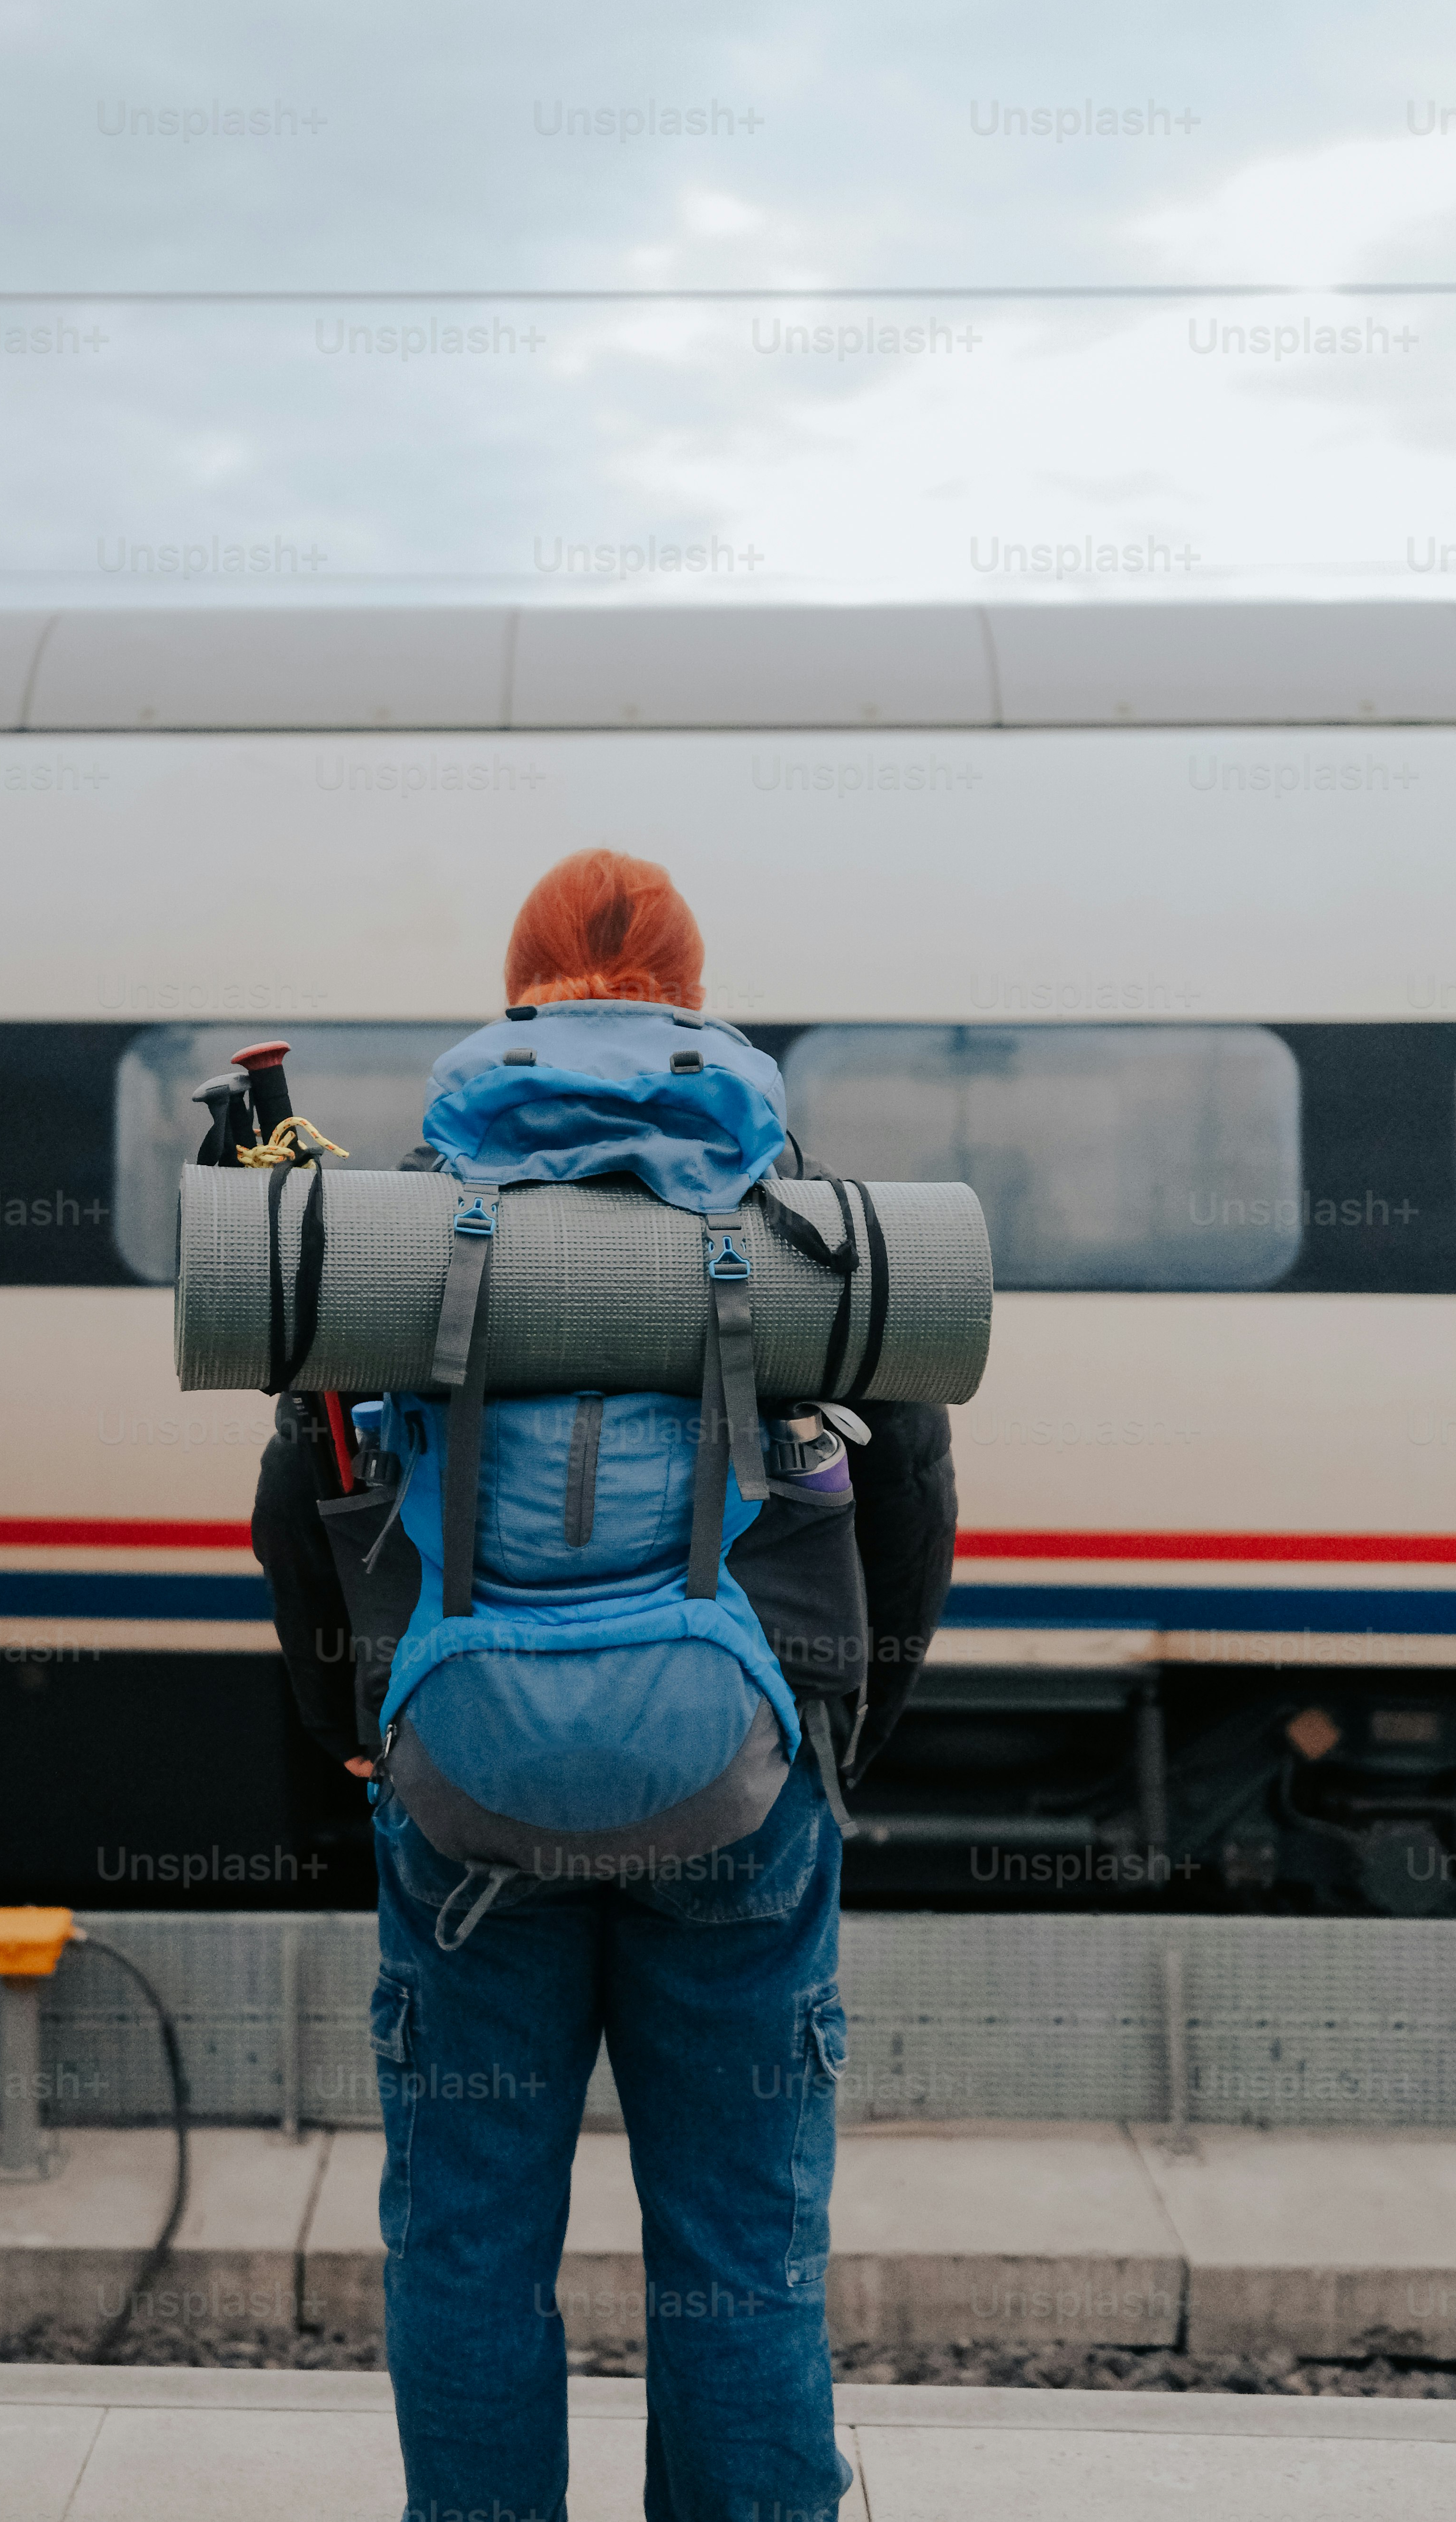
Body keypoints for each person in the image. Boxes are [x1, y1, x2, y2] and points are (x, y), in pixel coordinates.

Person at [253, 849, 957, 2522]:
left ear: (516, 1001)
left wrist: (352, 1730)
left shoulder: (411, 1206)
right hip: (735, 1767)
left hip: (465, 1782)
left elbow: (304, 1491)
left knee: (469, 2241)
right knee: (740, 2243)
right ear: (690, 1003)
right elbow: (911, 1475)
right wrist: (838, 1724)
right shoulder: (785, 1194)